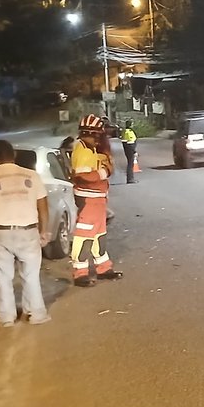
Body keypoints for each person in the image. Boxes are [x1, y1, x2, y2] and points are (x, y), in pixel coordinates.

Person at [0, 140, 52, 327]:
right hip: (28, 231)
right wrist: (44, 230)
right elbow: (42, 206)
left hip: (2, 231)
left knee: (3, 278)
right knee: (31, 275)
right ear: (14, 155)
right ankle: (36, 314)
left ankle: (6, 317)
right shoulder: (32, 176)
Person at [70, 115, 122, 287]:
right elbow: (84, 176)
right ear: (94, 134)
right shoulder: (83, 150)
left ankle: (103, 268)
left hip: (97, 199)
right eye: (100, 135)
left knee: (99, 236)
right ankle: (80, 273)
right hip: (89, 199)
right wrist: (104, 172)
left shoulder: (91, 149)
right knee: (84, 236)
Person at [120, 120, 138, 184]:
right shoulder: (129, 132)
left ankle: (130, 178)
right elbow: (130, 143)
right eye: (132, 124)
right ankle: (130, 179)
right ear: (130, 125)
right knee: (130, 164)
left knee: (130, 163)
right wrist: (134, 151)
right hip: (130, 149)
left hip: (127, 149)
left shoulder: (125, 131)